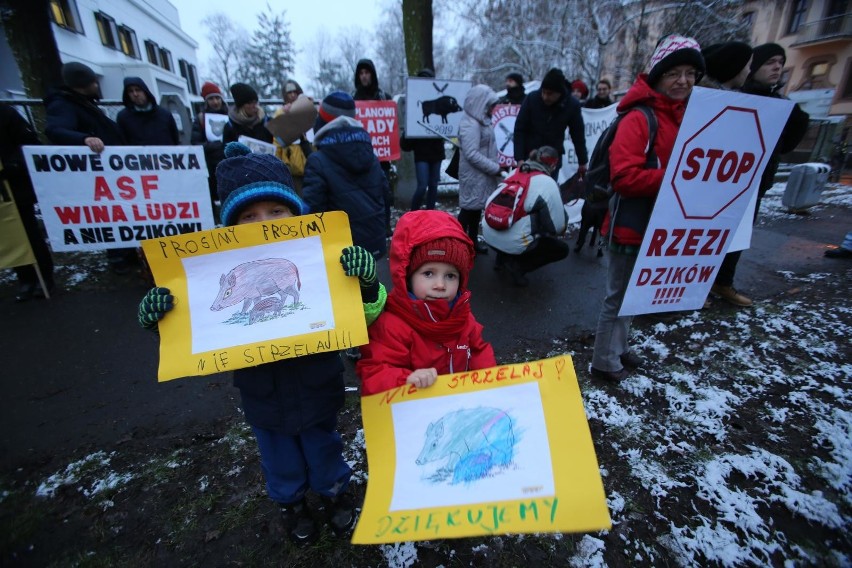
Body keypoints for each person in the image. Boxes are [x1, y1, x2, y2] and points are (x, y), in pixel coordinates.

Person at [137, 142, 385, 546]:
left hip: (317, 383)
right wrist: (161, 319)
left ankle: (336, 491)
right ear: (230, 230)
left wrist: (367, 283)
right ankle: (291, 503)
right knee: (278, 456)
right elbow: (195, 325)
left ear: (295, 215)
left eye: (275, 212)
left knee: (324, 446)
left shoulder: (322, 260)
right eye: (248, 217)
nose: (263, 223)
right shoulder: (222, 273)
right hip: (262, 393)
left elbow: (368, 316)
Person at [590, 34, 705, 382]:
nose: (683, 81)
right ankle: (604, 362)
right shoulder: (639, 118)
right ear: (658, 75)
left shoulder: (686, 114)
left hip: (663, 223)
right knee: (619, 296)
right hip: (631, 223)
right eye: (674, 73)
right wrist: (677, 179)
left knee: (636, 294)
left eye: (690, 73)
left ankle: (618, 349)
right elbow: (624, 177)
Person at [712, 43, 810, 307]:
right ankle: (697, 285)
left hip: (757, 182)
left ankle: (723, 283)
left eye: (781, 62)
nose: (777, 67)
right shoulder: (736, 98)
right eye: (770, 62)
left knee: (738, 236)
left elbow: (786, 143)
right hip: (724, 182)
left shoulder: (780, 104)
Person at [356, 210, 496, 395]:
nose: (440, 285)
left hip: (459, 410)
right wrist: (405, 380)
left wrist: (491, 381)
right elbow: (375, 372)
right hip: (413, 413)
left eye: (450, 275)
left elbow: (479, 352)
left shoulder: (463, 317)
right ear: (407, 276)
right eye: (428, 273)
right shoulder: (392, 326)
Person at [45, 62, 131, 274]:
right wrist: (85, 139)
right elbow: (55, 130)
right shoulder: (64, 105)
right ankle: (118, 256)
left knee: (121, 211)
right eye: (94, 81)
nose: (97, 85)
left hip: (110, 171)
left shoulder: (82, 103)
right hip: (97, 172)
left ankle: (126, 252)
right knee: (111, 213)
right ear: (86, 83)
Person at [698, 41, 755, 307]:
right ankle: (685, 293)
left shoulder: (748, 101)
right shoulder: (704, 102)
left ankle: (708, 287)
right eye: (748, 65)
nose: (750, 70)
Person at [303, 91, 388, 260]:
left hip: (340, 248)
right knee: (371, 284)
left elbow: (312, 211)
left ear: (323, 120)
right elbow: (385, 194)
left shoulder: (317, 160)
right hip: (374, 242)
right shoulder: (371, 154)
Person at [481, 146, 569, 287]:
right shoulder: (547, 183)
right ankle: (519, 267)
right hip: (513, 241)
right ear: (553, 164)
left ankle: (501, 258)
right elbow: (557, 227)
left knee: (516, 215)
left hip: (488, 233)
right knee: (561, 249)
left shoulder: (515, 172)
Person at [1, 103, 55, 301]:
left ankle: (44, 278)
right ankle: (25, 278)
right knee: (9, 236)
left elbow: (29, 145)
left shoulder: (6, 114)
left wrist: (11, 165)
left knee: (29, 232)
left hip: (14, 186)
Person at [513, 67, 588, 180]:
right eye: (543, 92)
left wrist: (582, 161)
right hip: (528, 158)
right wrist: (519, 159)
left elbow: (578, 135)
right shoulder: (532, 99)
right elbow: (520, 129)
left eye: (549, 94)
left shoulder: (572, 105)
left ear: (560, 93)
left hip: (552, 162)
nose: (545, 97)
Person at [352, 58, 394, 234]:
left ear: (373, 74)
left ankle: (385, 225)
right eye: (361, 73)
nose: (364, 76)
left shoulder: (384, 97)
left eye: (367, 72)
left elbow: (391, 125)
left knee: (384, 193)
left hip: (382, 157)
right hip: (362, 156)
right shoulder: (353, 99)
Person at [458, 84, 501, 254]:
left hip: (481, 175)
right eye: (490, 105)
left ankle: (472, 242)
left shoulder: (481, 120)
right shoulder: (471, 124)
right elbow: (471, 153)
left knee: (475, 210)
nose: (493, 108)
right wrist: (495, 168)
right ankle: (458, 244)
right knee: (468, 211)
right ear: (480, 103)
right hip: (474, 175)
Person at [400, 69, 445, 211]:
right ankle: (412, 215)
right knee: (422, 185)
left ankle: (430, 215)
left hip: (436, 151)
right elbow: (406, 140)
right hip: (421, 153)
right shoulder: (414, 103)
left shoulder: (437, 100)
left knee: (433, 185)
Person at [191, 81, 229, 208]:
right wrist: (215, 145)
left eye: (217, 98)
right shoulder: (200, 119)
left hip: (229, 163)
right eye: (211, 98)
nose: (215, 102)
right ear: (206, 101)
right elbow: (196, 143)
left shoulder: (230, 116)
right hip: (210, 166)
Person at [272, 80, 312, 194]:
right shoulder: (280, 114)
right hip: (292, 167)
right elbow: (277, 142)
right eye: (289, 93)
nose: (293, 95)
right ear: (285, 96)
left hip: (310, 163)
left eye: (295, 92)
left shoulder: (307, 110)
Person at [116, 77, 179, 145]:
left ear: (145, 91)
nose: (135, 94)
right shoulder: (123, 117)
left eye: (138, 90)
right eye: (130, 91)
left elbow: (175, 139)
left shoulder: (165, 115)